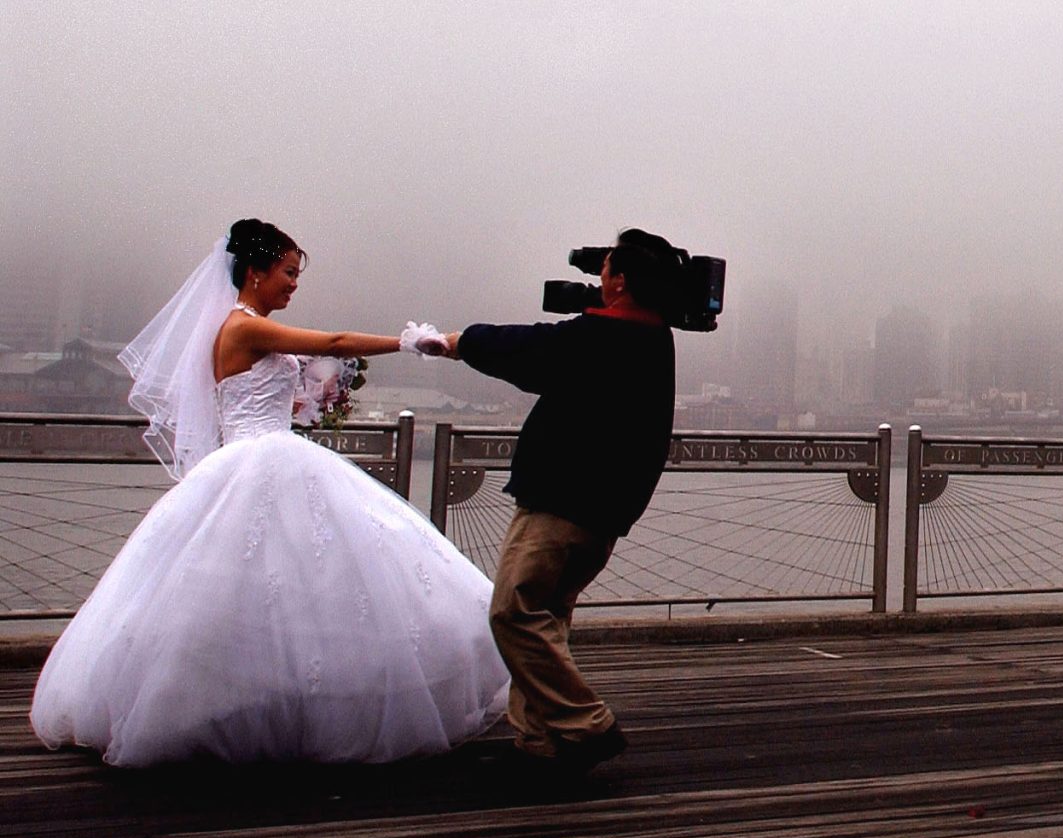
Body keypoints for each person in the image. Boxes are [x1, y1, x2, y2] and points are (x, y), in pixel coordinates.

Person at [30, 221, 508, 766]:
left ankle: (269, 703)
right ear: (255, 272)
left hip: (260, 456)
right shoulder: (243, 326)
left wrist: (311, 395)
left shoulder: (243, 330)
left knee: (284, 589)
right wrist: (406, 343)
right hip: (261, 460)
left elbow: (279, 383)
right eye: (287, 273)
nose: (293, 284)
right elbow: (332, 342)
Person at [429, 228, 681, 773]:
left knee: (513, 612)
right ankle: (540, 742)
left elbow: (529, 350)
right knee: (548, 615)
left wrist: (459, 341)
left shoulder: (604, 338)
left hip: (561, 503)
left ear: (621, 282)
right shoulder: (655, 337)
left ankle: (585, 723)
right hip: (607, 510)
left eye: (607, 271)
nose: (598, 280)